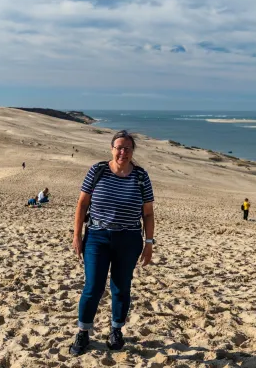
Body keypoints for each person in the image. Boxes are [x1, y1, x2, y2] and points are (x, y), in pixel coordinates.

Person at [69, 130, 155, 356]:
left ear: (132, 151)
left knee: (121, 287)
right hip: (97, 236)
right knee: (93, 286)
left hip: (129, 239)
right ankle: (83, 332)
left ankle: (116, 330)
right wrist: (77, 235)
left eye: (127, 148)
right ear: (111, 149)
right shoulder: (98, 171)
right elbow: (81, 204)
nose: (123, 152)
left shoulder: (141, 176)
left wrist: (149, 242)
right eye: (119, 147)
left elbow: (147, 213)